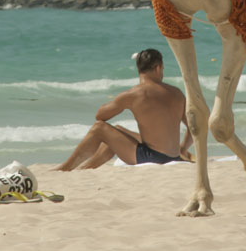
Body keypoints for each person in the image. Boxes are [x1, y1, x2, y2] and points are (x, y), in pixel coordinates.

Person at [54, 48, 193, 170]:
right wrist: (182, 148)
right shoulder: (177, 93)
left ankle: (65, 168)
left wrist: (118, 100)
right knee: (117, 130)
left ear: (139, 69)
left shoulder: (134, 94)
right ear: (158, 67)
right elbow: (194, 128)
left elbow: (100, 116)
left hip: (152, 157)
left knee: (99, 128)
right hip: (173, 156)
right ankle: (86, 169)